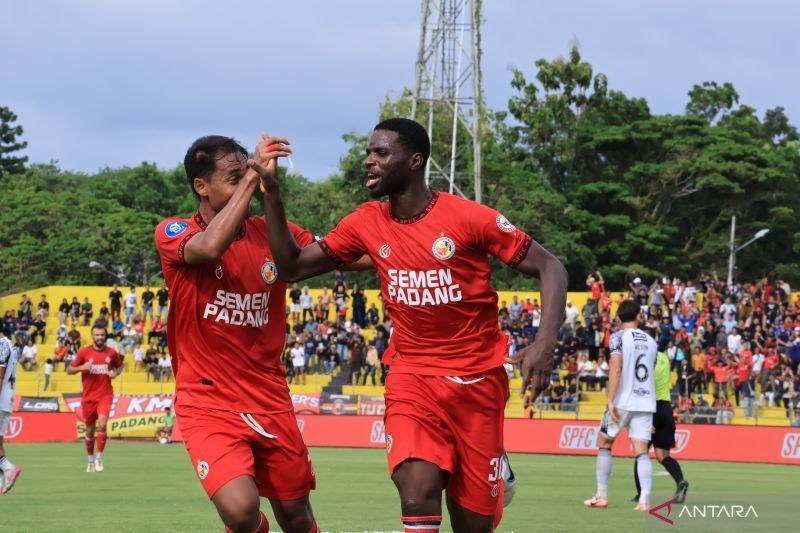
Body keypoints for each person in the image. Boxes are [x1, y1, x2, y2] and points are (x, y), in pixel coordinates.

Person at [255, 118, 568, 532]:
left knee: (473, 525)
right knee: (417, 490)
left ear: (415, 161)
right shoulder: (366, 223)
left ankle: (494, 468)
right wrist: (272, 195)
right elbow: (292, 266)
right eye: (368, 152)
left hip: (477, 382)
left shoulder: (468, 218)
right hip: (412, 376)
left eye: (381, 153)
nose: (368, 161)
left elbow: (551, 266)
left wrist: (545, 344)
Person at [154, 134, 330, 533]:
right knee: (240, 509)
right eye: (234, 177)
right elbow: (210, 247)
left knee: (298, 518)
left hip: (269, 398)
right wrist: (256, 175)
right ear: (201, 186)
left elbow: (339, 253)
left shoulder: (269, 233)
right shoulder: (174, 231)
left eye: (246, 174)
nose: (245, 182)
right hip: (208, 400)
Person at [584, 300, 657, 512]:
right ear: (639, 316)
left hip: (622, 400)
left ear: (618, 317)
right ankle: (644, 501)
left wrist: (610, 399)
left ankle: (601, 495)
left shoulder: (618, 337)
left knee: (604, 443)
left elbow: (616, 368)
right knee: (641, 452)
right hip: (645, 402)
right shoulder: (652, 342)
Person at [632, 349, 689, 505]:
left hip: (650, 408)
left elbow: (644, 387)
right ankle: (680, 482)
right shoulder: (664, 357)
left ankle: (640, 494)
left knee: (640, 453)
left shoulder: (644, 360)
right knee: (663, 456)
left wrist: (647, 419)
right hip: (666, 408)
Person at [67, 324, 123, 473]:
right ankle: (90, 460)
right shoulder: (84, 352)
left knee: (103, 424)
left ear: (105, 336)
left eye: (102, 335)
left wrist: (115, 373)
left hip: (105, 394)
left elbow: (120, 366)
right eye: (97, 335)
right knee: (90, 430)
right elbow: (69, 369)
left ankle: (99, 457)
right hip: (88, 397)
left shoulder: (111, 353)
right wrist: (82, 367)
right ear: (92, 336)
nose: (100, 338)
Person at [0, 328, 23, 494]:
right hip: (6, 401)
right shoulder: (10, 346)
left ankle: (8, 468)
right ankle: (4, 478)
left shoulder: (1, 345)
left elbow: (0, 376)